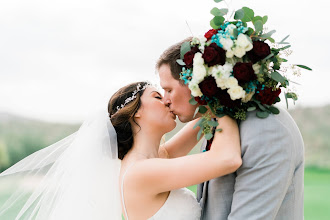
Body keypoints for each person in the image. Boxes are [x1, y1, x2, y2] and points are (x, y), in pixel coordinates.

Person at [0, 81, 242, 220]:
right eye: (158, 96)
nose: (168, 101)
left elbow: (204, 118)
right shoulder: (141, 172)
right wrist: (222, 96)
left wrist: (217, 85)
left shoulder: (155, 159)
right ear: (137, 112)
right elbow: (228, 158)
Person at [157, 39, 304, 220]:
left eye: (168, 90)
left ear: (193, 81)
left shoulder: (267, 130)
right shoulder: (218, 122)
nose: (165, 100)